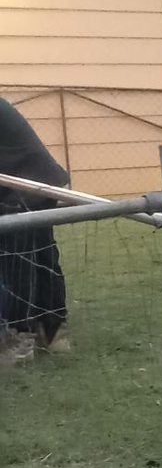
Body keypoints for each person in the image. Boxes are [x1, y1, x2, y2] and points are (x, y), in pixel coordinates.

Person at [0, 96, 72, 364]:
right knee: (43, 259)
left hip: (24, 189)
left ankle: (20, 340)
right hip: (39, 182)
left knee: (17, 263)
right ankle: (54, 333)